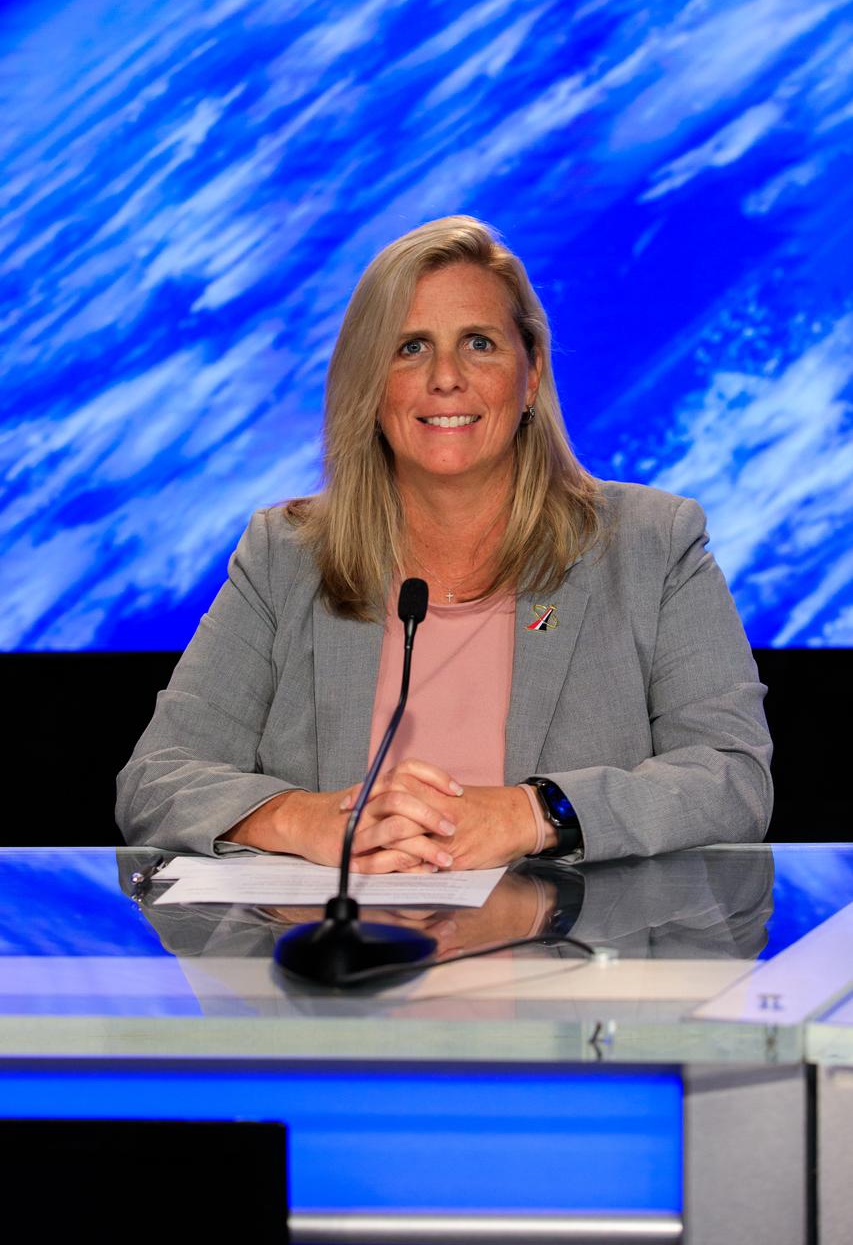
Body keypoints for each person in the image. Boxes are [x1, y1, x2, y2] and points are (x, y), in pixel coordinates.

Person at [116, 216, 772, 869]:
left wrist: (536, 814)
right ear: (368, 383)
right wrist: (306, 820)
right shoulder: (284, 555)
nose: (446, 377)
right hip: (341, 937)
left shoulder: (652, 545)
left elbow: (730, 777)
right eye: (410, 347)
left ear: (531, 373)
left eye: (479, 343)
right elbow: (158, 779)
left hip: (572, 936)